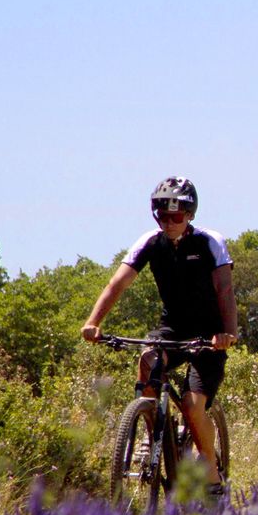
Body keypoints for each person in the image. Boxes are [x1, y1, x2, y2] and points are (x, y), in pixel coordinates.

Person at [80, 177, 239, 489]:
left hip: (210, 333)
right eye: (162, 217)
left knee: (194, 407)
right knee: (148, 358)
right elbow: (118, 284)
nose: (168, 223)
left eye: (176, 217)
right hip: (173, 327)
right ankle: (151, 429)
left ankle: (211, 472)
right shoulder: (150, 243)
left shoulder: (210, 242)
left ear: (189, 215)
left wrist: (227, 333)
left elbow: (225, 289)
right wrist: (93, 322)